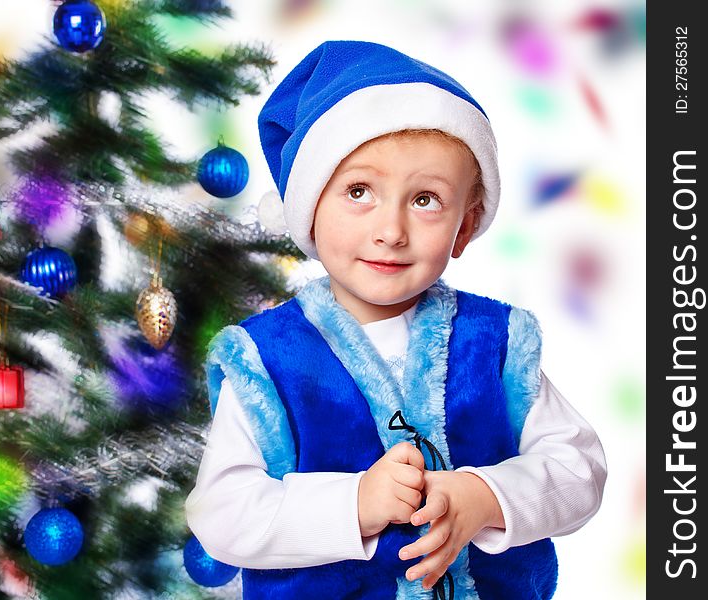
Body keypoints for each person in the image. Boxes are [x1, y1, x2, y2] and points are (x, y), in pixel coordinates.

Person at [185, 40, 607, 599]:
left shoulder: (495, 344)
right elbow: (222, 514)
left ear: (465, 225)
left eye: (426, 200)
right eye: (359, 191)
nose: (392, 229)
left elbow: (580, 470)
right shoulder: (268, 359)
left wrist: (485, 497)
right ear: (309, 207)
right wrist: (354, 504)